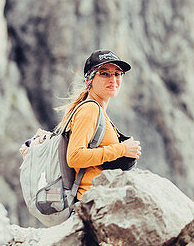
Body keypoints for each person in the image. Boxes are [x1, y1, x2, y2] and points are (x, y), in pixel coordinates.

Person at [57, 49, 143, 201]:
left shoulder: (99, 111)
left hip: (100, 200)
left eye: (117, 74)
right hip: (90, 203)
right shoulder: (89, 109)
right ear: (89, 79)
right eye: (104, 73)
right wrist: (123, 149)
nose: (113, 79)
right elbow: (75, 157)